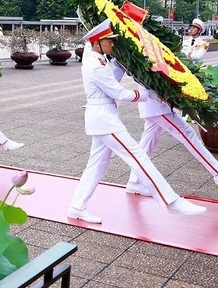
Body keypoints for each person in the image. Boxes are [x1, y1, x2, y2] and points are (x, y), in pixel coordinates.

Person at [68, 19, 206, 224]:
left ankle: (77, 206)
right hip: (104, 120)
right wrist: (146, 93)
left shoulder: (100, 60)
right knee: (138, 157)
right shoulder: (96, 65)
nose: (113, 44)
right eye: (110, 41)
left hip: (102, 117)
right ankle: (171, 201)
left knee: (96, 164)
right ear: (98, 42)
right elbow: (119, 93)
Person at [125, 87, 218, 195]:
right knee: (187, 134)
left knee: (147, 144)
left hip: (155, 104)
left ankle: (134, 181)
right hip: (158, 105)